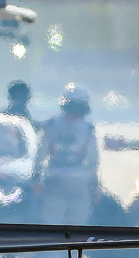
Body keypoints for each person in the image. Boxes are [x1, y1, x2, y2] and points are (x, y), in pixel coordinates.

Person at [33, 84, 100, 225]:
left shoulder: (51, 125)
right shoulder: (88, 129)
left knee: (52, 220)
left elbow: (40, 154)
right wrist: (94, 186)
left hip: (54, 175)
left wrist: (36, 178)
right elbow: (93, 162)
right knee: (78, 221)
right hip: (77, 177)